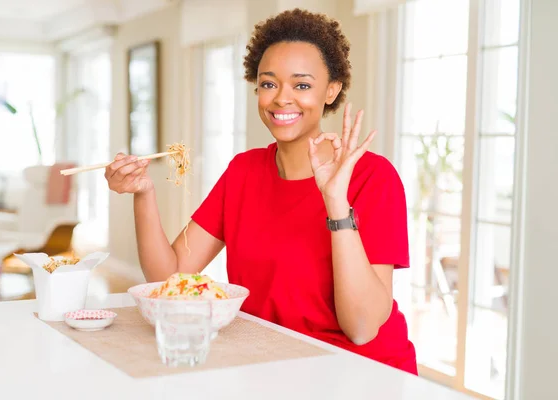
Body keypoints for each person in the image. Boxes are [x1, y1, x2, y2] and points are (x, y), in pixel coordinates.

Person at [105, 8, 417, 375]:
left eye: (302, 85)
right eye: (269, 83)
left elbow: (362, 329)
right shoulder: (244, 171)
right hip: (270, 365)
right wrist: (144, 193)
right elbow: (168, 280)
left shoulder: (374, 178)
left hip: (360, 373)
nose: (282, 99)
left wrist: (335, 201)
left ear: (331, 90)